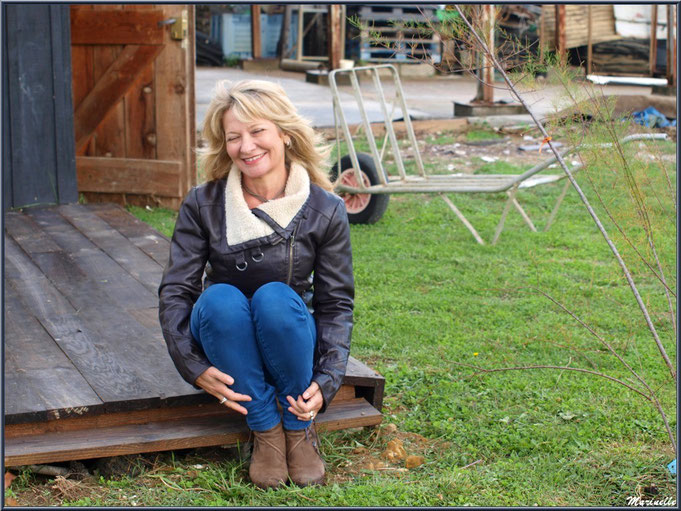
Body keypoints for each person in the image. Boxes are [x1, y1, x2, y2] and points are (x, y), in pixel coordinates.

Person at [158, 79, 354, 489]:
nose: (246, 147)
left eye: (257, 131)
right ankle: (265, 429)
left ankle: (298, 428)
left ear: (284, 132)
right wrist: (192, 367)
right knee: (220, 299)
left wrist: (328, 378)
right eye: (233, 137)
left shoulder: (325, 209)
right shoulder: (203, 203)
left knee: (275, 298)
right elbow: (177, 290)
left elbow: (335, 302)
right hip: (224, 333)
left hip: (287, 333)